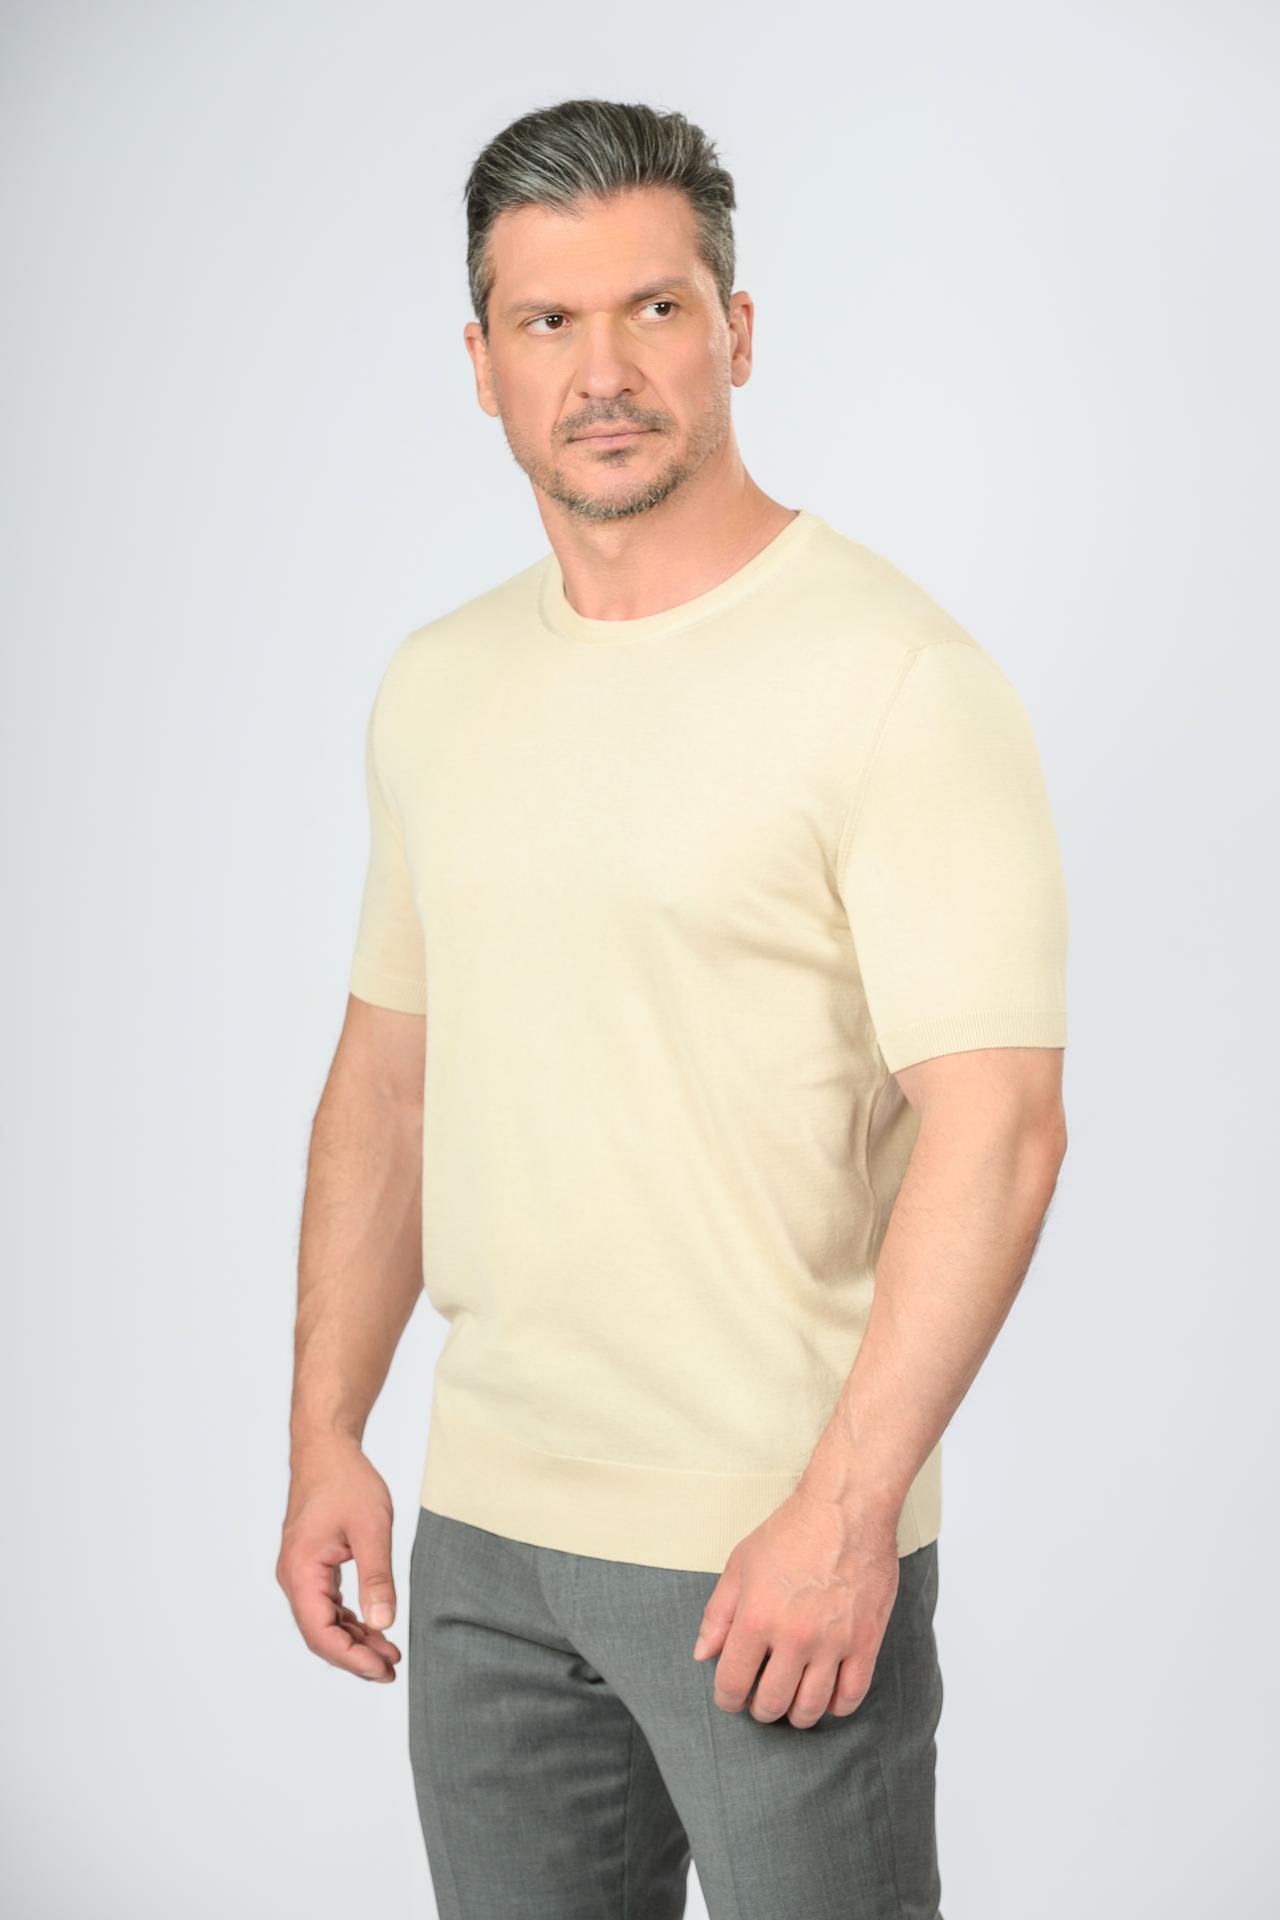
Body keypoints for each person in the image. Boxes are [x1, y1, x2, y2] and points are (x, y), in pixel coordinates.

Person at [276, 96, 1069, 1920]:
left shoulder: (896, 678)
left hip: (771, 1542)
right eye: (548, 321)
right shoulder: (441, 686)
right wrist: (328, 1432)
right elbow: (387, 1086)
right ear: (481, 363)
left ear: (737, 330)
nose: (604, 372)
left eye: (655, 308)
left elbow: (1004, 1127)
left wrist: (848, 1512)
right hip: (485, 1551)